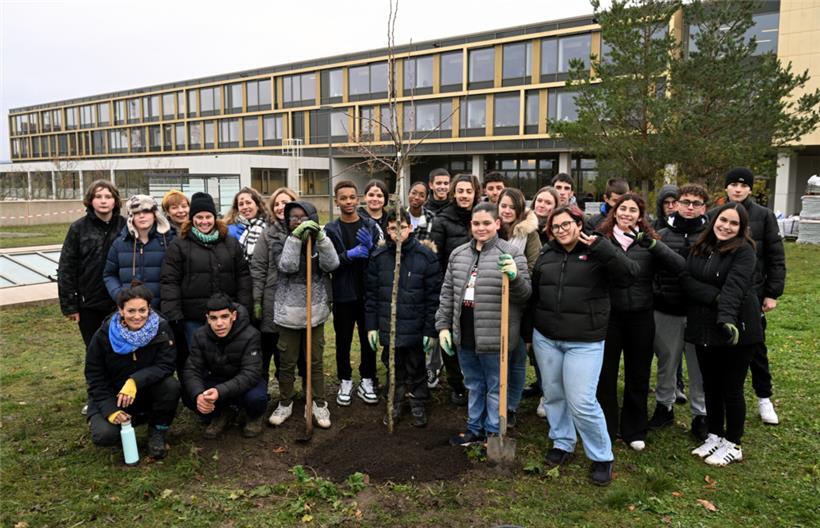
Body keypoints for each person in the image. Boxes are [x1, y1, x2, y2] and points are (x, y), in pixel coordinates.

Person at [529, 205, 638, 486]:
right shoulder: (547, 254)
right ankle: (562, 441)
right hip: (547, 338)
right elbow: (536, 294)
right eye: (555, 226)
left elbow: (629, 275)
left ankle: (602, 456)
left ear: (579, 224)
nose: (561, 230)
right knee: (553, 394)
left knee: (582, 401)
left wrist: (602, 248)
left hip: (584, 340)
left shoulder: (598, 252)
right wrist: (529, 333)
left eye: (566, 224)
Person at [594, 193, 685, 451]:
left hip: (641, 315)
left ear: (640, 215)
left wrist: (653, 245)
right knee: (606, 374)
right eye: (623, 208)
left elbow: (679, 265)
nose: (627, 214)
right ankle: (607, 426)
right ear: (614, 212)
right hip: (610, 316)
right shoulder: (602, 239)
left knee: (638, 373)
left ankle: (634, 428)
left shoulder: (649, 240)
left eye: (633, 210)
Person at [436, 203, 531, 446]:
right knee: (474, 383)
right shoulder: (458, 255)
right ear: (471, 225)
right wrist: (443, 326)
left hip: (495, 334)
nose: (481, 228)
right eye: (476, 223)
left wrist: (515, 277)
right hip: (465, 332)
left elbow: (524, 295)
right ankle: (474, 428)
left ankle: (493, 432)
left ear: (497, 224)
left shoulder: (511, 254)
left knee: (495, 385)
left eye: (487, 223)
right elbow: (447, 294)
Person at [685, 203, 761, 466]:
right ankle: (715, 435)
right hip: (705, 328)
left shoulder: (744, 251)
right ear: (714, 219)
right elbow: (687, 280)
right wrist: (712, 296)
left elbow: (734, 288)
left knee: (731, 388)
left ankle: (733, 443)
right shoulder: (701, 247)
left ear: (741, 228)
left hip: (736, 329)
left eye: (734, 223)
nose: (726, 227)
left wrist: (726, 318)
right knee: (711, 385)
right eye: (723, 220)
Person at [710, 167, 785, 425]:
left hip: (753, 292)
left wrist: (772, 293)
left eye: (743, 185)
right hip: (722, 292)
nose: (738, 189)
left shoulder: (764, 216)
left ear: (750, 189)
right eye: (734, 184)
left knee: (756, 348)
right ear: (727, 187)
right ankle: (721, 396)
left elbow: (775, 256)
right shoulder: (715, 215)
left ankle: (764, 397)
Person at [84, 285, 180, 460]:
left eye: (142, 310)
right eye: (131, 311)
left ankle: (157, 431)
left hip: (146, 390)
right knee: (104, 436)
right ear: (121, 310)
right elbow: (95, 376)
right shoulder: (103, 335)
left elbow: (166, 365)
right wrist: (110, 410)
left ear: (149, 308)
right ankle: (122, 426)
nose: (137, 316)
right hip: (113, 394)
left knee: (171, 386)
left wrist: (134, 381)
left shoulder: (162, 328)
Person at [366, 208, 441, 427]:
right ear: (387, 230)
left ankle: (418, 401)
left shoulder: (425, 257)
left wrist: (430, 330)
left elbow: (433, 297)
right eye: (392, 228)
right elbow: (371, 295)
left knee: (416, 365)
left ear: (410, 227)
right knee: (393, 365)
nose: (397, 233)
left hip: (416, 326)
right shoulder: (379, 257)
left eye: (402, 227)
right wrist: (372, 326)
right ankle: (395, 400)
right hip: (389, 325)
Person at [267, 201, 339, 428]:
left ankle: (318, 403)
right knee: (287, 361)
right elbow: (287, 266)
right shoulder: (280, 242)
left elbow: (332, 264)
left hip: (314, 312)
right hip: (288, 313)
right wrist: (295, 238)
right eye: (293, 218)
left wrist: (321, 239)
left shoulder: (320, 242)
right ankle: (285, 402)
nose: (298, 221)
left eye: (303, 217)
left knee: (315, 361)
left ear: (313, 219)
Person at [651, 184, 710, 440]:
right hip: (667, 309)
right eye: (685, 202)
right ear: (676, 204)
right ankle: (664, 406)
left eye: (696, 203)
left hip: (699, 313)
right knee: (667, 361)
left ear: (703, 208)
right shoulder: (662, 234)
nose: (690, 207)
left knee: (698, 366)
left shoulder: (711, 236)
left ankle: (700, 414)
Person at [160, 192, 252, 350]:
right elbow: (170, 281)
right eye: (199, 217)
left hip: (226, 315)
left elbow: (243, 277)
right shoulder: (179, 245)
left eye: (208, 217)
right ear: (192, 219)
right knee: (199, 357)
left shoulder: (230, 243)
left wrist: (243, 308)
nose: (204, 221)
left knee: (227, 357)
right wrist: (173, 314)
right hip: (194, 317)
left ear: (215, 218)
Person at [324, 180, 383, 406]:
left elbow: (382, 256)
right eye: (343, 198)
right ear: (336, 201)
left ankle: (367, 379)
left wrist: (372, 250)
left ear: (357, 199)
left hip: (367, 293)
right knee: (343, 340)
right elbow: (327, 263)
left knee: (369, 339)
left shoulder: (370, 226)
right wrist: (348, 255)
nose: (348, 201)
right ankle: (345, 380)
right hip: (343, 294)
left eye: (352, 197)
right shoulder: (330, 230)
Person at [428, 173, 482, 406]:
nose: (464, 195)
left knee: (474, 336)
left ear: (475, 193)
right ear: (453, 193)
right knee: (450, 336)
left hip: (480, 289)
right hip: (451, 287)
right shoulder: (442, 220)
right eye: (460, 191)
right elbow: (434, 258)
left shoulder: (483, 216)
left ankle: (476, 381)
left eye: (469, 191)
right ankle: (456, 384)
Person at [183, 294, 265, 438]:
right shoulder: (199, 335)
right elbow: (192, 369)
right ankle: (222, 414)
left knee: (256, 398)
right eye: (214, 318)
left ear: (233, 316)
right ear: (208, 318)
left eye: (224, 317)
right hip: (215, 380)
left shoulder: (251, 335)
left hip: (243, 383)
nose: (219, 323)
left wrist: (220, 391)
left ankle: (253, 416)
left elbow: (251, 373)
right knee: (188, 394)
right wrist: (198, 394)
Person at [58, 180, 126, 349]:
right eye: (98, 196)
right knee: (95, 349)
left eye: (108, 196)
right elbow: (67, 267)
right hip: (89, 303)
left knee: (120, 349)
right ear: (90, 200)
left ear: (115, 201)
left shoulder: (125, 226)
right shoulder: (78, 228)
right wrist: (69, 305)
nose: (103, 201)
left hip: (119, 300)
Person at [250, 187, 305, 383]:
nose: (281, 207)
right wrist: (257, 300)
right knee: (270, 348)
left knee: (300, 351)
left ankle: (300, 390)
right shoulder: (267, 234)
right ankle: (263, 390)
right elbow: (258, 268)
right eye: (277, 204)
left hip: (300, 299)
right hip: (273, 299)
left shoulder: (306, 231)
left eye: (285, 203)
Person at [497, 187, 541, 427]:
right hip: (491, 302)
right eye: (503, 206)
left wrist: (516, 278)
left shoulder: (528, 234)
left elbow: (535, 268)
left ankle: (511, 406)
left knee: (515, 358)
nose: (506, 211)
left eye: (512, 207)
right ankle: (495, 402)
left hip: (520, 303)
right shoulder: (490, 227)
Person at [104, 195, 173, 311]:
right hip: (132, 311)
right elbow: (109, 274)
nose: (141, 216)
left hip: (163, 309)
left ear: (155, 214)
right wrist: (119, 296)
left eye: (146, 211)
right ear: (131, 217)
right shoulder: (119, 244)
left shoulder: (169, 241)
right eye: (136, 213)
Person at [224, 187, 270, 263]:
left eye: (248, 203)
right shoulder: (229, 230)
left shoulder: (268, 227)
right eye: (241, 204)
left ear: (257, 206)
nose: (245, 207)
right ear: (237, 208)